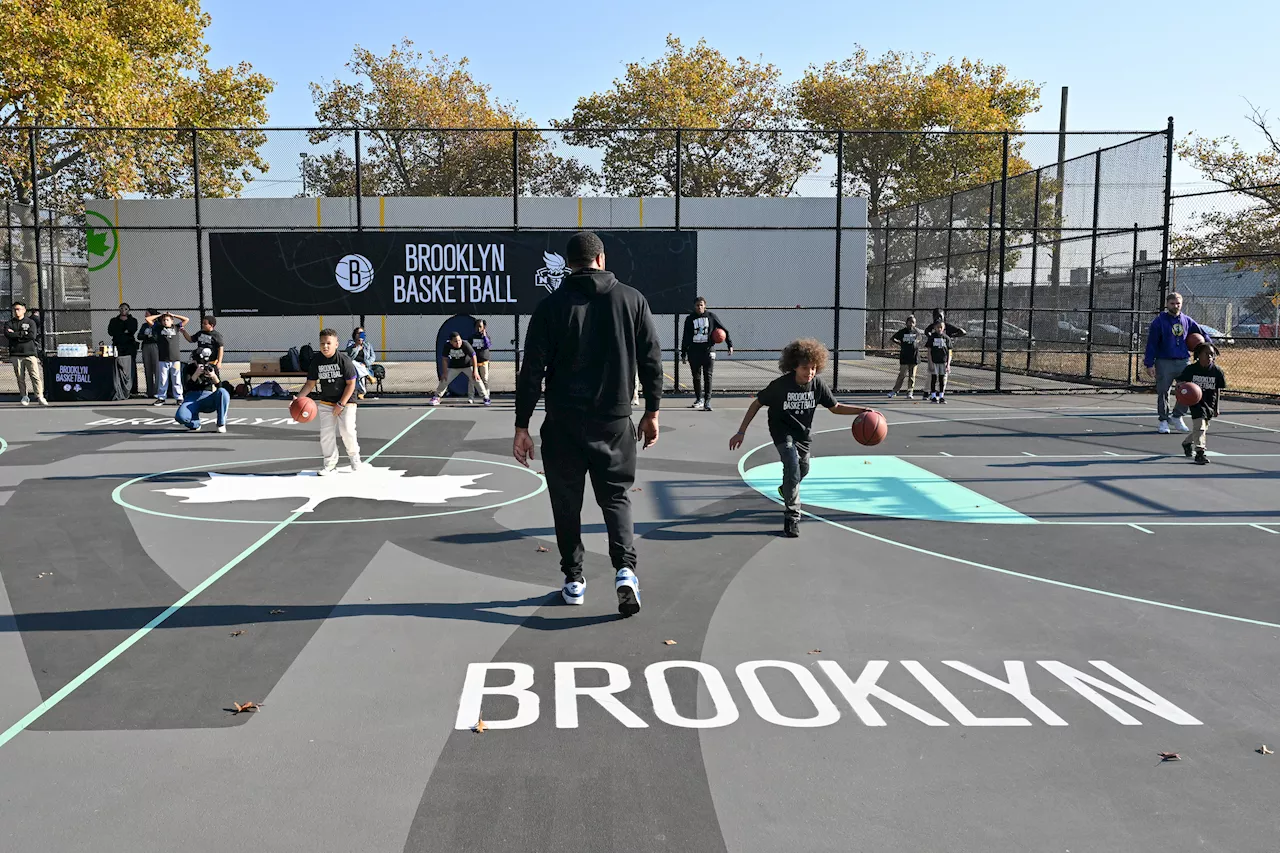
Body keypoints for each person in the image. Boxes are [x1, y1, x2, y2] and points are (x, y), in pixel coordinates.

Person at [513, 231, 662, 616]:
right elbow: (652, 362)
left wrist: (522, 425)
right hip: (613, 421)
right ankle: (626, 571)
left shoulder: (551, 306)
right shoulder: (633, 299)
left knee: (567, 503)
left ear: (569, 264)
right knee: (615, 497)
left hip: (563, 422)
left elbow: (531, 371)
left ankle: (574, 579)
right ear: (601, 258)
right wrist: (652, 411)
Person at [729, 339, 868, 538]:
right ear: (794, 366)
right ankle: (792, 516)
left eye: (813, 368)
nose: (809, 372)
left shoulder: (817, 385)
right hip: (781, 431)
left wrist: (862, 410)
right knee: (792, 464)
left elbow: (835, 408)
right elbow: (756, 404)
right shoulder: (780, 386)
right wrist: (741, 431)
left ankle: (786, 488)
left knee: (804, 468)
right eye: (805, 368)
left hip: (802, 434)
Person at [1143, 292, 1211, 434]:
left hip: (1183, 361)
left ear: (1182, 304)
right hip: (1164, 361)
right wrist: (1149, 364)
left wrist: (1208, 346)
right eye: (1172, 303)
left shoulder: (1186, 320)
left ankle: (1177, 416)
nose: (1175, 306)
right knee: (1163, 392)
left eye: (1178, 303)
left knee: (1188, 389)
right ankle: (1163, 420)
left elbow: (1202, 334)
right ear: (1167, 304)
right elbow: (1152, 344)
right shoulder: (1159, 322)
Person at [297, 329, 360, 475]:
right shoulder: (316, 361)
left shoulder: (344, 360)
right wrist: (299, 398)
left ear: (336, 344)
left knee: (348, 431)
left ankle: (354, 458)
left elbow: (351, 384)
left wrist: (341, 404)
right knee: (326, 434)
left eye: (328, 343)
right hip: (327, 401)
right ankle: (330, 464)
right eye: (322, 343)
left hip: (346, 400)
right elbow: (310, 384)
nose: (325, 346)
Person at [681, 296, 734, 412]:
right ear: (694, 306)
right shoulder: (690, 319)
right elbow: (685, 337)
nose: (699, 307)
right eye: (697, 305)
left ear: (705, 306)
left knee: (708, 376)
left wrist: (729, 345)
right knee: (696, 376)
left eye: (701, 305)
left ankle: (707, 401)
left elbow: (724, 330)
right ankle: (699, 399)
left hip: (708, 350)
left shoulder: (711, 317)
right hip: (694, 351)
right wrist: (683, 353)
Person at [1177, 343, 1226, 466]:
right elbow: (1181, 382)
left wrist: (1216, 407)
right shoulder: (1191, 369)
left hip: (1210, 403)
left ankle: (1187, 442)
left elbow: (1218, 390)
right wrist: (1182, 387)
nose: (1210, 356)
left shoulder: (1217, 371)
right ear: (1199, 355)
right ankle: (1200, 453)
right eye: (1207, 353)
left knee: (1201, 428)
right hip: (1195, 402)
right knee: (1200, 425)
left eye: (1212, 354)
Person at [429, 330, 489, 406]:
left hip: (467, 365)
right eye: (455, 341)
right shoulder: (447, 346)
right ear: (451, 342)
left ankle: (485, 397)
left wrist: (475, 371)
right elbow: (444, 359)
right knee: (444, 379)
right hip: (454, 367)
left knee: (476, 379)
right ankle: (437, 397)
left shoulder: (465, 344)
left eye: (459, 340)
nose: (458, 343)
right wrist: (444, 373)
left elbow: (474, 356)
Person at [4, 300, 46, 406]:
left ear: (24, 310)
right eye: (14, 309)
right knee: (20, 378)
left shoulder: (30, 322)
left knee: (35, 376)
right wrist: (22, 334)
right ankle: (24, 396)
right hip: (16, 354)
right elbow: (8, 335)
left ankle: (40, 396)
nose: (16, 311)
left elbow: (31, 336)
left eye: (18, 309)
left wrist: (17, 334)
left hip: (30, 353)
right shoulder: (9, 323)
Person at [146, 311, 188, 406]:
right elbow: (148, 319)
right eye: (164, 320)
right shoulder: (158, 328)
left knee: (176, 379)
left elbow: (186, 319)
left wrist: (174, 315)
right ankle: (161, 398)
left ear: (172, 321)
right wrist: (160, 315)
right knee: (163, 379)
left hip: (175, 359)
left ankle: (179, 398)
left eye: (168, 320)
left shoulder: (176, 328)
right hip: (163, 359)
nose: (165, 321)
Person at [174, 362, 230, 433]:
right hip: (192, 398)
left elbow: (219, 387)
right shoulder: (189, 367)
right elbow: (186, 387)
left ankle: (221, 423)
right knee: (181, 417)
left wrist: (213, 376)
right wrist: (196, 374)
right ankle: (194, 423)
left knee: (223, 392)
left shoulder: (212, 367)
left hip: (207, 397)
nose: (202, 366)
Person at [107, 303, 139, 397]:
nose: (123, 310)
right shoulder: (114, 320)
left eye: (125, 308)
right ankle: (119, 387)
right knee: (118, 366)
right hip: (118, 346)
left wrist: (124, 329)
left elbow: (132, 330)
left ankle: (133, 389)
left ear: (128, 310)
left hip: (129, 347)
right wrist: (122, 330)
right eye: (121, 308)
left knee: (130, 366)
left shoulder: (133, 320)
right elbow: (111, 332)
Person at [888, 314, 921, 400]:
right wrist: (900, 343)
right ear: (906, 323)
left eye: (913, 322)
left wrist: (915, 343)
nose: (911, 324)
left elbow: (919, 339)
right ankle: (895, 391)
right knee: (902, 375)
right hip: (904, 357)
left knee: (912, 376)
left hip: (914, 357)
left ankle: (910, 392)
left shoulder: (916, 332)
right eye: (910, 322)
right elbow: (893, 338)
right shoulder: (902, 332)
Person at [346, 326, 378, 399]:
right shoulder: (351, 343)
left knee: (359, 373)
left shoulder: (367, 344)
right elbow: (349, 353)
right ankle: (367, 377)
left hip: (364, 366)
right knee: (353, 363)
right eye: (358, 333)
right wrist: (356, 345)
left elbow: (373, 357)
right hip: (353, 366)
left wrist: (366, 363)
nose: (360, 335)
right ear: (355, 334)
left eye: (361, 333)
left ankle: (361, 392)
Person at [137, 308, 161, 399]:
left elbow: (156, 337)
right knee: (148, 369)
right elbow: (139, 336)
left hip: (155, 347)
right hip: (146, 346)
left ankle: (157, 391)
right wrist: (147, 336)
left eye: (147, 314)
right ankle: (149, 391)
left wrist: (150, 337)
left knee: (157, 369)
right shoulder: (144, 326)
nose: (145, 316)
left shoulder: (158, 325)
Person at [469, 319, 492, 403]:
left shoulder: (487, 337)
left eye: (480, 327)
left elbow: (488, 345)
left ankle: (486, 396)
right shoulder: (472, 337)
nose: (478, 328)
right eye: (477, 326)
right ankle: (471, 397)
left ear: (483, 327)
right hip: (474, 362)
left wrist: (484, 336)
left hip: (484, 361)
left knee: (484, 379)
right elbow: (469, 348)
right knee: (472, 380)